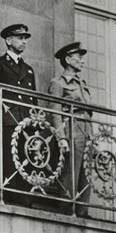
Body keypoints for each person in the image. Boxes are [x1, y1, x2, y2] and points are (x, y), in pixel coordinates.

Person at [0, 24, 37, 206]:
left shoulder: (29, 69)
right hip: (7, 121)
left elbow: (33, 100)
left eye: (25, 38)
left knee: (26, 161)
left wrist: (35, 126)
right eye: (20, 38)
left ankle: (25, 199)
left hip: (26, 123)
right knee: (9, 161)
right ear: (8, 40)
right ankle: (11, 197)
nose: (23, 42)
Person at [48, 41, 92, 218]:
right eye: (79, 57)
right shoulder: (58, 83)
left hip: (86, 130)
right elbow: (54, 111)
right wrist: (62, 137)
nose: (82, 61)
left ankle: (82, 212)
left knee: (86, 174)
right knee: (70, 173)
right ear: (67, 59)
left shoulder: (82, 84)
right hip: (71, 129)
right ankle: (68, 211)